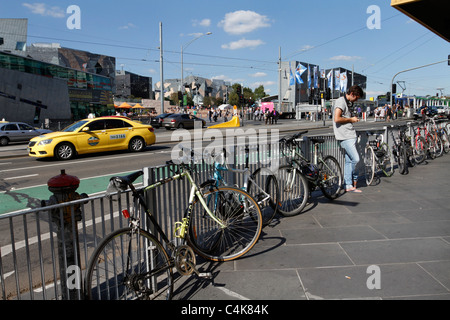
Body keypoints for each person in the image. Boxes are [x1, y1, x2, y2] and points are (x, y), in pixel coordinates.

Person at [333, 85, 364, 193]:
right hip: (345, 136)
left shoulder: (346, 102)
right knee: (356, 159)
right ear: (352, 94)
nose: (357, 100)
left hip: (348, 135)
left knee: (349, 161)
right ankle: (354, 179)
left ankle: (348, 185)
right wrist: (351, 119)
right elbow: (336, 118)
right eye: (357, 97)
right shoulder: (341, 101)